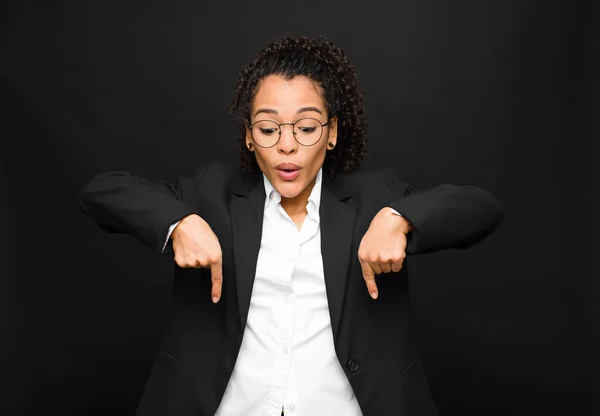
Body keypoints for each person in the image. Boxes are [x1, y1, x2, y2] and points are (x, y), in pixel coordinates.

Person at [78, 36, 504, 416]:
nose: (286, 145)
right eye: (267, 128)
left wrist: (401, 218)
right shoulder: (212, 193)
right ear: (249, 136)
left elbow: (482, 209)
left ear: (332, 132)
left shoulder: (376, 196)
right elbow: (101, 192)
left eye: (305, 127)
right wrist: (180, 222)